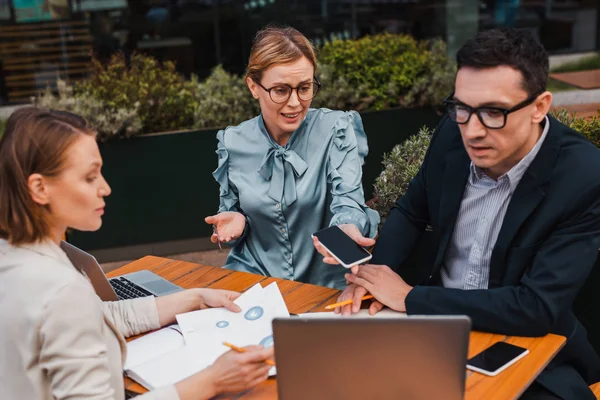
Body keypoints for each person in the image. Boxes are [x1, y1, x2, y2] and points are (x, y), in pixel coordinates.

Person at [318, 28, 600, 399]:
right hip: (428, 331)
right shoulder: (452, 134)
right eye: (462, 109)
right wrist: (371, 278)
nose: (473, 131)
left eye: (494, 112)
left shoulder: (583, 176)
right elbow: (412, 211)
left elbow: (535, 307)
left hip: (527, 347)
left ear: (539, 107)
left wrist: (410, 298)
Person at [0, 107, 273, 400]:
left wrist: (193, 298)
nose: (105, 188)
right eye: (90, 177)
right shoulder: (61, 291)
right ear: (40, 188)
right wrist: (213, 381)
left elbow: (96, 315)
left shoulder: (15, 258)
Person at [205, 26, 379, 290]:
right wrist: (236, 221)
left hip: (327, 281)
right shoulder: (233, 142)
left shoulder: (337, 130)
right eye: (281, 90)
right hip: (255, 279)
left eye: (304, 88)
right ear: (254, 86)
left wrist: (347, 228)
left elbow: (348, 202)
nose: (295, 102)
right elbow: (229, 214)